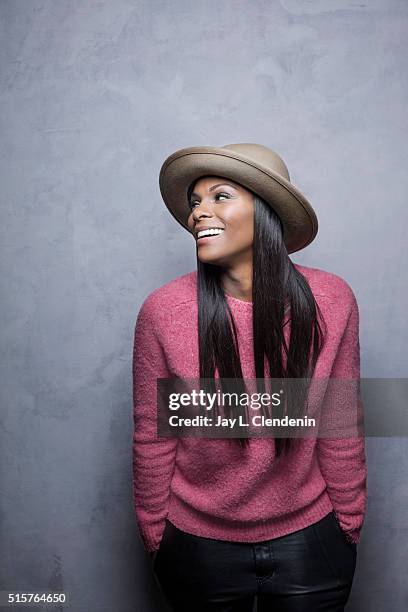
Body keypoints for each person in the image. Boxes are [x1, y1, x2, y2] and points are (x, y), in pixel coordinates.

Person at [132, 143, 367, 611]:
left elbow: (341, 424)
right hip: (197, 544)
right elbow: (153, 437)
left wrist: (348, 523)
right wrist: (157, 532)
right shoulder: (163, 311)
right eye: (194, 201)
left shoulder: (333, 300)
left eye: (219, 196)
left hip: (311, 538)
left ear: (267, 211)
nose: (199, 212)